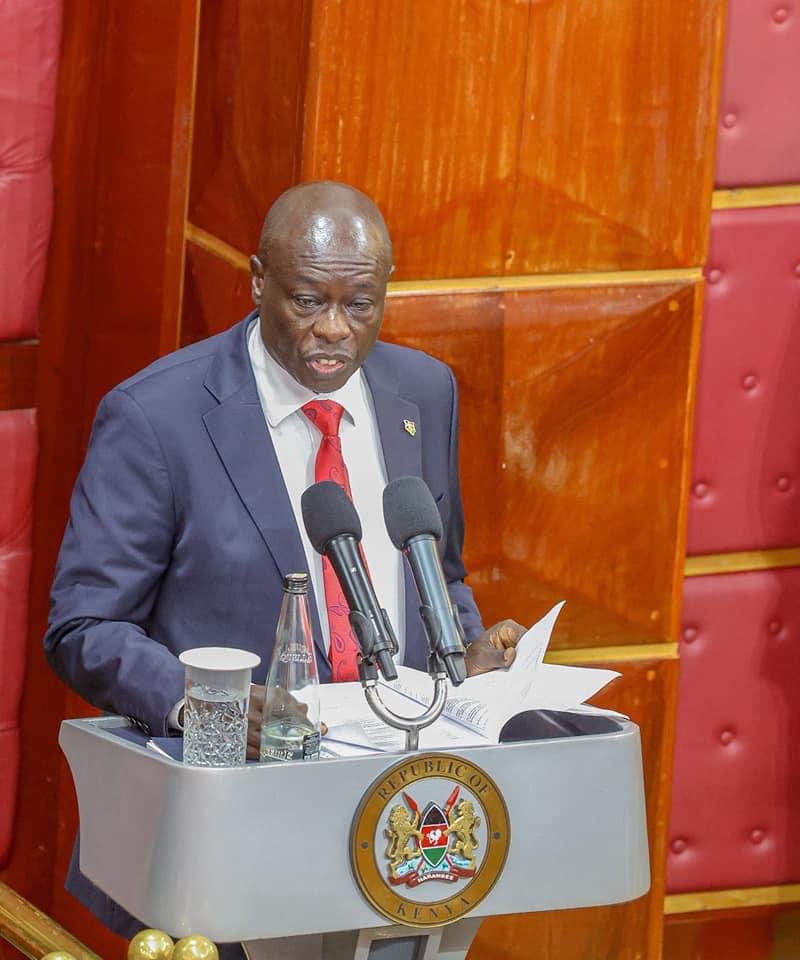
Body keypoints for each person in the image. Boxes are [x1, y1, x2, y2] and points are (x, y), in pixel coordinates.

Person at [44, 181, 524, 943]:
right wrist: (212, 706)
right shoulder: (158, 417)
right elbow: (84, 627)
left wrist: (459, 653)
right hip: (223, 834)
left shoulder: (423, 393)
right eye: (307, 301)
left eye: (359, 306)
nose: (332, 330)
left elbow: (438, 564)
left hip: (392, 821)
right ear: (259, 281)